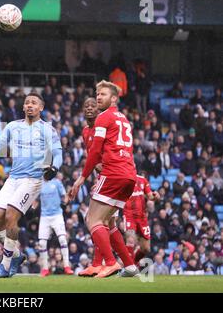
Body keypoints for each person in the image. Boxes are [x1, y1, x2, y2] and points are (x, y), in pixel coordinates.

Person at [0, 93, 63, 278]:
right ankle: (17, 255)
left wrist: (54, 168)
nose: (30, 105)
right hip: (13, 178)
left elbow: (58, 154)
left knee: (11, 215)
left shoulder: (47, 129)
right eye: (27, 102)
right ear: (23, 107)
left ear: (41, 108)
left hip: (32, 179)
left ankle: (5, 266)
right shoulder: (13, 126)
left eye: (34, 103)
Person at [69, 80, 138, 278]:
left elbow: (96, 151)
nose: (98, 97)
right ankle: (129, 266)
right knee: (108, 222)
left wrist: (81, 178)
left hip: (113, 173)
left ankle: (110, 263)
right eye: (97, 94)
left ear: (114, 98)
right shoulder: (123, 118)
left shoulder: (104, 118)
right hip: (128, 175)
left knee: (93, 219)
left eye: (103, 94)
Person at [36, 176, 73, 277]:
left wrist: (65, 203)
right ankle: (45, 268)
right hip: (44, 216)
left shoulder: (57, 182)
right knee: (42, 243)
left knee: (62, 239)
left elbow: (64, 195)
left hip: (57, 215)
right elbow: (34, 199)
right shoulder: (39, 183)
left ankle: (66, 266)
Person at [124, 174, 161, 266]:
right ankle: (130, 267)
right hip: (129, 215)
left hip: (142, 217)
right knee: (130, 240)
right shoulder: (123, 179)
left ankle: (134, 262)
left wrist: (156, 197)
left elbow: (150, 197)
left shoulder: (142, 180)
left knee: (146, 249)